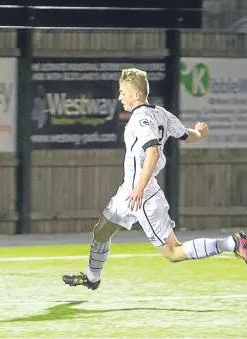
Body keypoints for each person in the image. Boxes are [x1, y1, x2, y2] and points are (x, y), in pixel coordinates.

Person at [62, 68, 247, 291]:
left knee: (173, 252)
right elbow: (186, 135)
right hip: (127, 192)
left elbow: (154, 152)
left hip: (143, 196)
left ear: (137, 95)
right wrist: (200, 133)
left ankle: (233, 243)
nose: (120, 97)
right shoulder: (161, 113)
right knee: (101, 231)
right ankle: (92, 278)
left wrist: (139, 188)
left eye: (123, 93)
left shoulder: (140, 120)